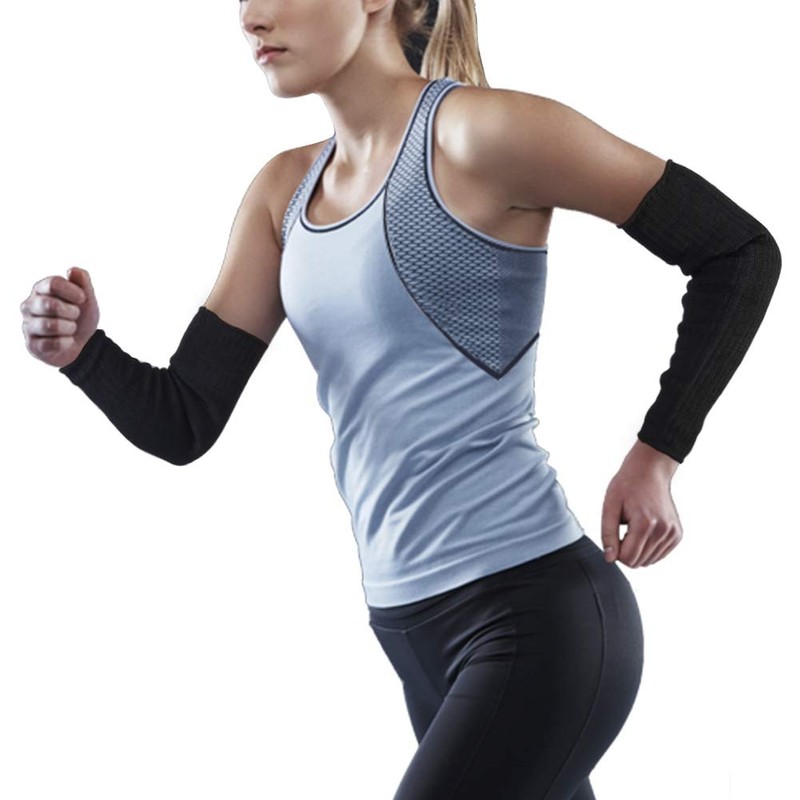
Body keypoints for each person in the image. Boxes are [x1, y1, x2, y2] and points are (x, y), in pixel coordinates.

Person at [19, 1, 781, 798]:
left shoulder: (480, 135)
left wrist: (657, 454)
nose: (251, 16)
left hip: (534, 616)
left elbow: (736, 251)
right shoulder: (284, 193)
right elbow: (184, 418)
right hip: (411, 631)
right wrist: (84, 354)